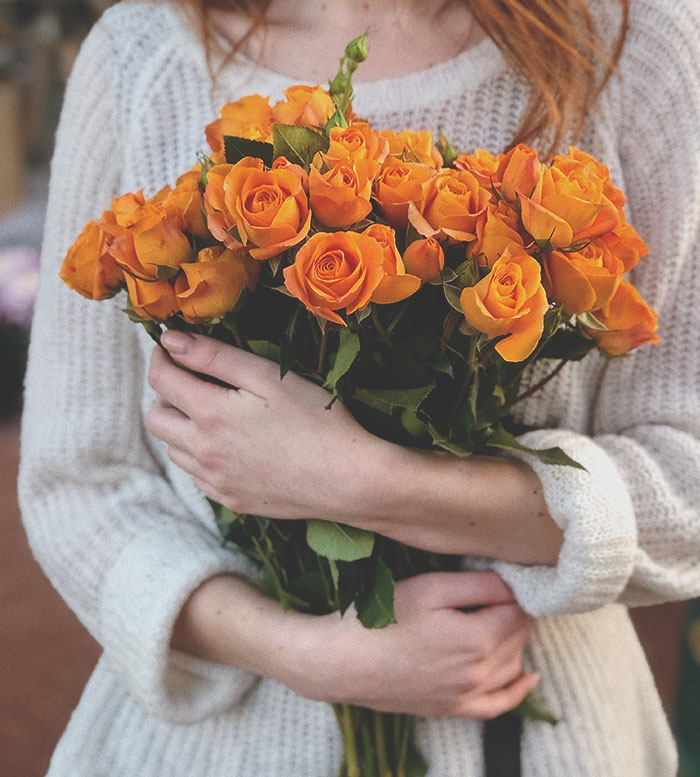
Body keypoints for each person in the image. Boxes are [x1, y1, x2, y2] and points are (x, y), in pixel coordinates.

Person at [18, 0, 700, 774]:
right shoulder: (141, 53)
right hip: (210, 750)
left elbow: (690, 478)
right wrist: (310, 654)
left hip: (536, 735)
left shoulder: (635, 44)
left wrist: (366, 481)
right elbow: (77, 482)